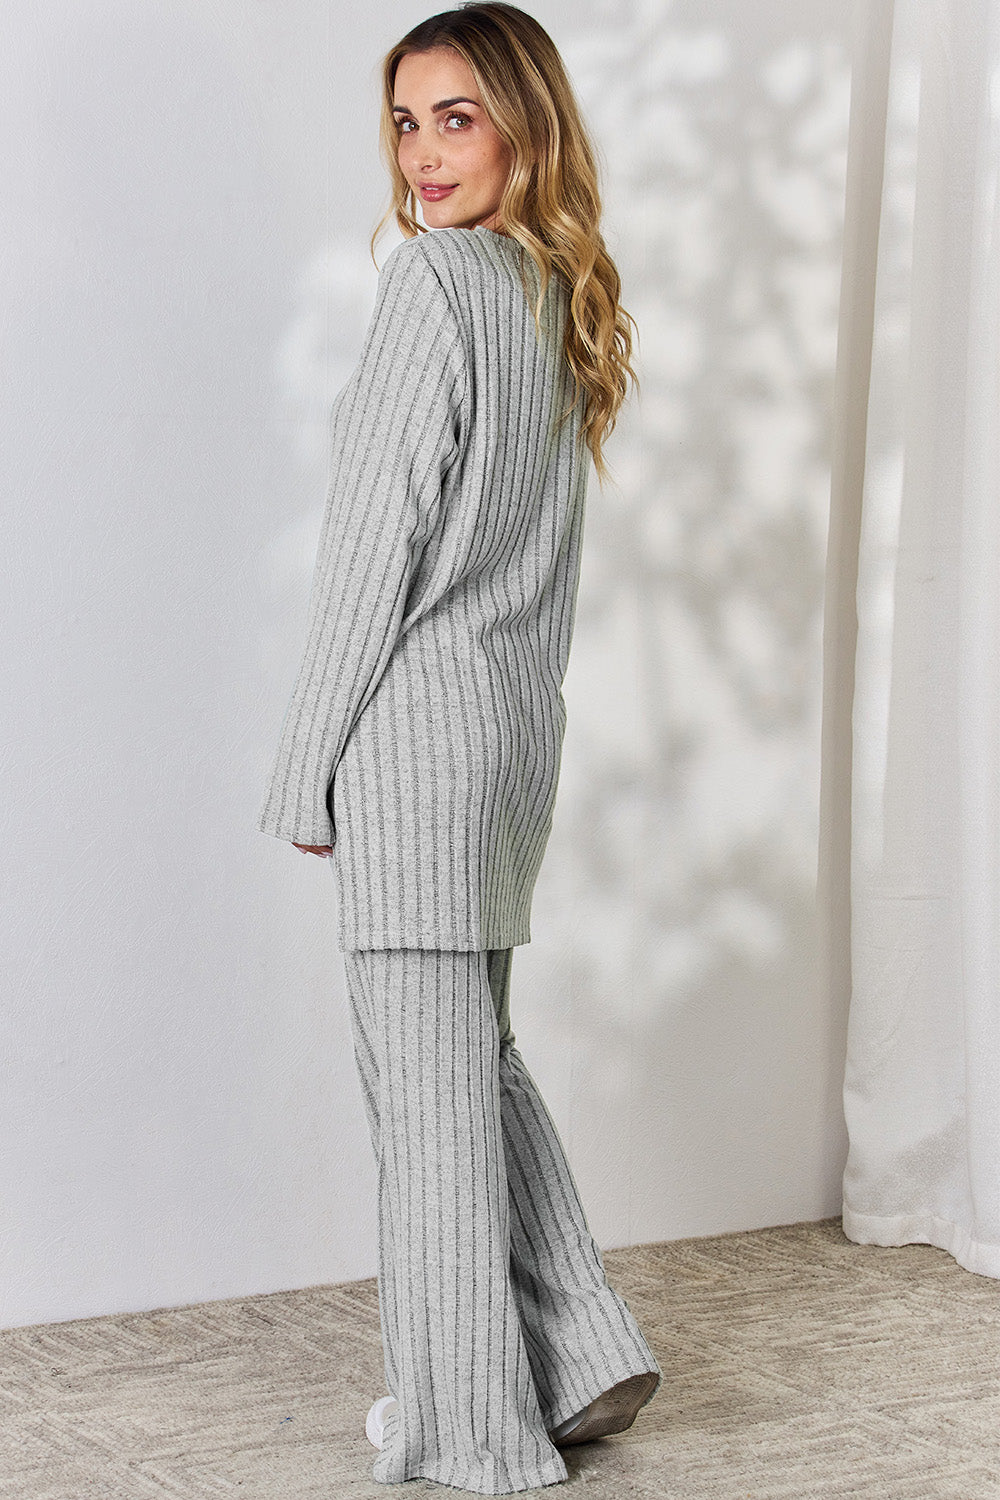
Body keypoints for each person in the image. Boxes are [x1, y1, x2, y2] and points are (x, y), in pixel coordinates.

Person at [257, 3, 661, 1492]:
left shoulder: (436, 288)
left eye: (459, 120)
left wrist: (305, 768)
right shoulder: (555, 295)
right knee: (471, 1069)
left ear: (525, 129)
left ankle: (471, 1430)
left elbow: (373, 551)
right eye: (408, 122)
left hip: (416, 757)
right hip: (507, 756)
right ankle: (588, 1347)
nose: (425, 157)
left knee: (423, 1109)